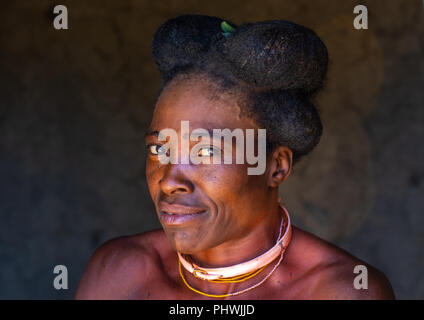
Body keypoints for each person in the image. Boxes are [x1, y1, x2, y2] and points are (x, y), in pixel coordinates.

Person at [75, 14, 395, 299]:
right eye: (159, 149)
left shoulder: (339, 292)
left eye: (206, 151)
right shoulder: (118, 274)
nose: (169, 181)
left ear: (276, 167)